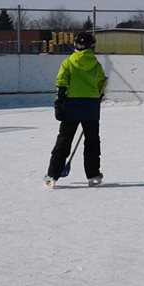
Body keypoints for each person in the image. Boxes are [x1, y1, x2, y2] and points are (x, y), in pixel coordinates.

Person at [44, 31, 108, 188]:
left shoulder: (68, 63)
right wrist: (97, 98)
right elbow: (102, 83)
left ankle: (53, 174)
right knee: (92, 141)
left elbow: (61, 83)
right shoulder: (96, 65)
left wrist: (59, 103)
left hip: (71, 106)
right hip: (91, 107)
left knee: (64, 140)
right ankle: (93, 174)